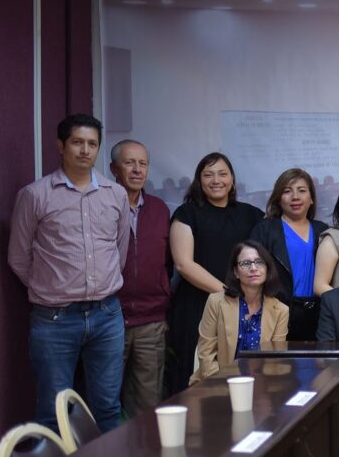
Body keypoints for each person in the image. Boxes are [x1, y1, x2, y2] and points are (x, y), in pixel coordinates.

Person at [8, 114, 130, 433]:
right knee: (52, 410)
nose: (85, 151)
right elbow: (19, 257)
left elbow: (119, 251)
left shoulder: (115, 195)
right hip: (54, 321)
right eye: (77, 142)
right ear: (60, 146)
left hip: (107, 315)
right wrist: (53, 289)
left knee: (107, 406)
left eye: (92, 144)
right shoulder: (35, 195)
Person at [167, 152, 263, 395]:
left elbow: (263, 259)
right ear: (199, 181)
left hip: (244, 308)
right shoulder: (186, 213)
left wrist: (241, 297)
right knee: (197, 378)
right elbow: (183, 265)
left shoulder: (251, 215)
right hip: (197, 306)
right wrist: (227, 293)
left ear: (232, 179)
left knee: (242, 376)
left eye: (222, 174)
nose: (216, 180)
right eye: (208, 175)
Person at [108, 139, 171, 417]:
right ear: (114, 168)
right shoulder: (102, 205)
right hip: (108, 317)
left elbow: (168, 262)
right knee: (105, 401)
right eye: (129, 162)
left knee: (148, 403)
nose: (137, 170)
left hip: (151, 321)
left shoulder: (159, 209)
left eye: (142, 163)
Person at [189, 241, 289, 385]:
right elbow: (206, 353)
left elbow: (274, 361)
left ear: (267, 268)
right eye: (246, 263)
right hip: (216, 384)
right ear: (235, 271)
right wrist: (226, 386)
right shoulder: (216, 302)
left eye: (259, 262)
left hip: (260, 387)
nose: (253, 268)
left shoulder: (280, 311)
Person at [249, 168, 330, 341]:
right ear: (278, 199)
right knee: (280, 367)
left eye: (302, 190)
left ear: (312, 199)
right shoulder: (265, 229)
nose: (295, 197)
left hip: (317, 314)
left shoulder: (323, 231)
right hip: (277, 311)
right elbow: (251, 272)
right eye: (287, 191)